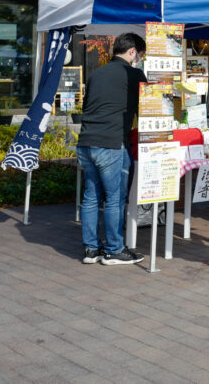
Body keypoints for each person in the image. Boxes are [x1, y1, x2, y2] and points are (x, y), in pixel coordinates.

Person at [76, 33, 147, 266]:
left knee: (91, 197)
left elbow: (88, 106)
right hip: (110, 142)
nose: (140, 59)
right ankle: (114, 250)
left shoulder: (97, 73)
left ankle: (91, 250)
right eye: (140, 55)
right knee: (115, 198)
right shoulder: (134, 74)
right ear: (133, 51)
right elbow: (147, 110)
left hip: (86, 141)